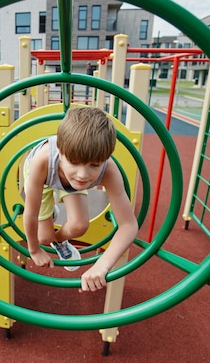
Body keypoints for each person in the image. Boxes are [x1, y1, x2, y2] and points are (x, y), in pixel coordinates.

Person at [22, 106, 138, 293]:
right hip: (46, 178)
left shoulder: (108, 169)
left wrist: (102, 265)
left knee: (79, 226)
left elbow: (128, 225)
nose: (83, 174)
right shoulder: (42, 161)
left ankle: (59, 241)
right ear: (60, 153)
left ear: (106, 158)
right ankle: (51, 220)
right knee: (43, 237)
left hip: (68, 181)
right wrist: (33, 250)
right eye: (75, 162)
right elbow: (31, 212)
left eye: (94, 165)